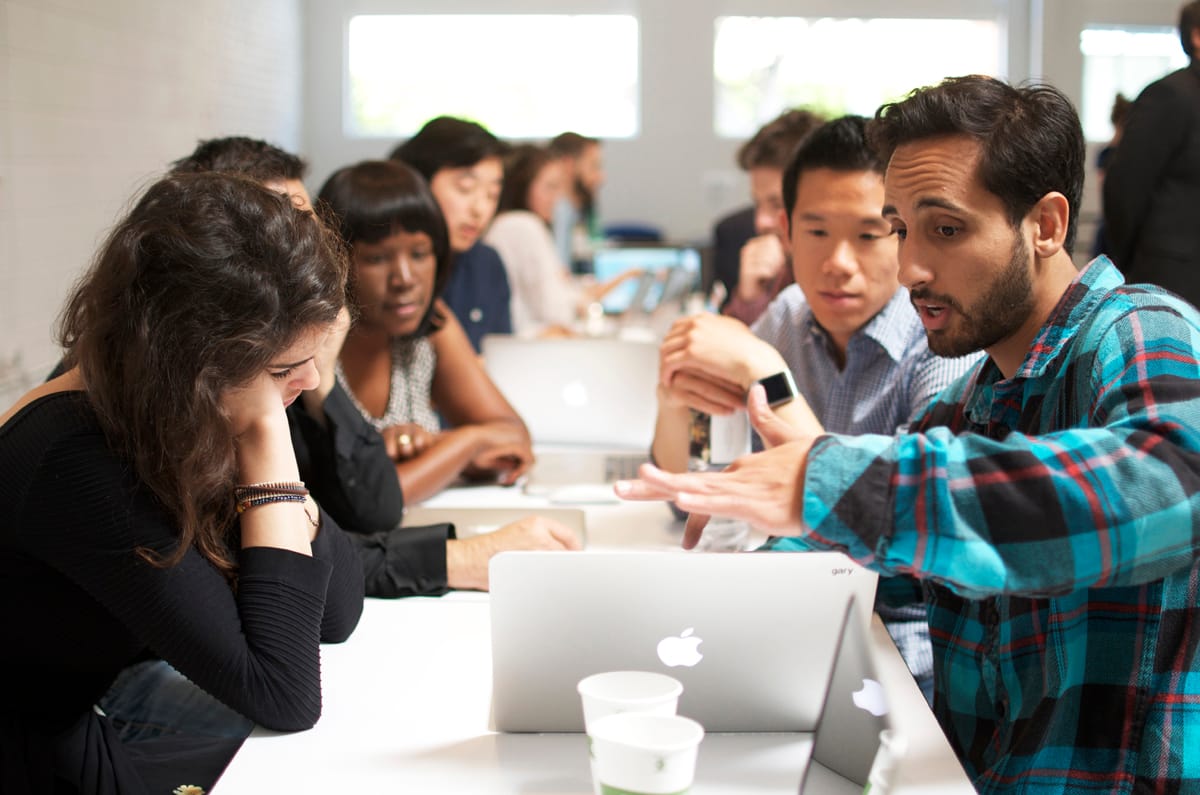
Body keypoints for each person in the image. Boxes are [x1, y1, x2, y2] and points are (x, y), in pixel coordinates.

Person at [618, 75, 1200, 792]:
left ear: (1046, 226)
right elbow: (853, 556)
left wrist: (823, 479)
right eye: (900, 229)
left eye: (946, 230)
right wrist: (681, 597)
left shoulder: (1140, 327)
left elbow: (1168, 485)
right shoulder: (964, 407)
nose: (909, 270)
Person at [0, 172, 364, 794]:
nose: (310, 379)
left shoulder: (168, 414)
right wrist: (267, 437)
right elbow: (284, 691)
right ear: (195, 363)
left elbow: (338, 610)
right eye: (286, 367)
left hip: (86, 726)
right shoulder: (75, 457)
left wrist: (268, 441)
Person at [651, 116, 980, 701]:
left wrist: (766, 373)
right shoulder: (787, 315)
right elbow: (693, 500)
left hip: (902, 651)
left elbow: (913, 540)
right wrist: (674, 401)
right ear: (785, 230)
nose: (838, 262)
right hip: (785, 621)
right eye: (817, 231)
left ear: (904, 235)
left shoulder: (942, 337)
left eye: (870, 235)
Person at [321, 160, 556, 513]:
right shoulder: (314, 346)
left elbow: (513, 436)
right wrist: (468, 444)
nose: (404, 278)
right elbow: (368, 499)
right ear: (336, 260)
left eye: (419, 254)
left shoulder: (431, 323)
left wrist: (440, 444)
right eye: (377, 258)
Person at [1103, 0, 1200, 307]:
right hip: (1173, 280)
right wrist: (1127, 259)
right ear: (1197, 37)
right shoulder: (1171, 95)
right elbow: (1125, 186)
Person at [485, 144, 637, 336]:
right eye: (549, 187)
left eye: (558, 188)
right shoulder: (524, 226)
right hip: (531, 342)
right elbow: (556, 311)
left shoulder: (507, 224)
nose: (556, 198)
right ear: (523, 185)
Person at [390, 116, 513, 353]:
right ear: (419, 182)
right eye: (465, 188)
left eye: (492, 194)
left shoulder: (487, 263)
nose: (480, 209)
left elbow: (501, 357)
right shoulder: (396, 267)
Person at [715, 108, 825, 325]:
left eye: (777, 204)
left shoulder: (837, 281)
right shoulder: (781, 271)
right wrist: (749, 298)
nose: (760, 222)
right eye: (758, 204)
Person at [548, 131, 605, 271]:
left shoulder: (579, 213)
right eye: (594, 166)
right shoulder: (555, 213)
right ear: (569, 164)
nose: (601, 177)